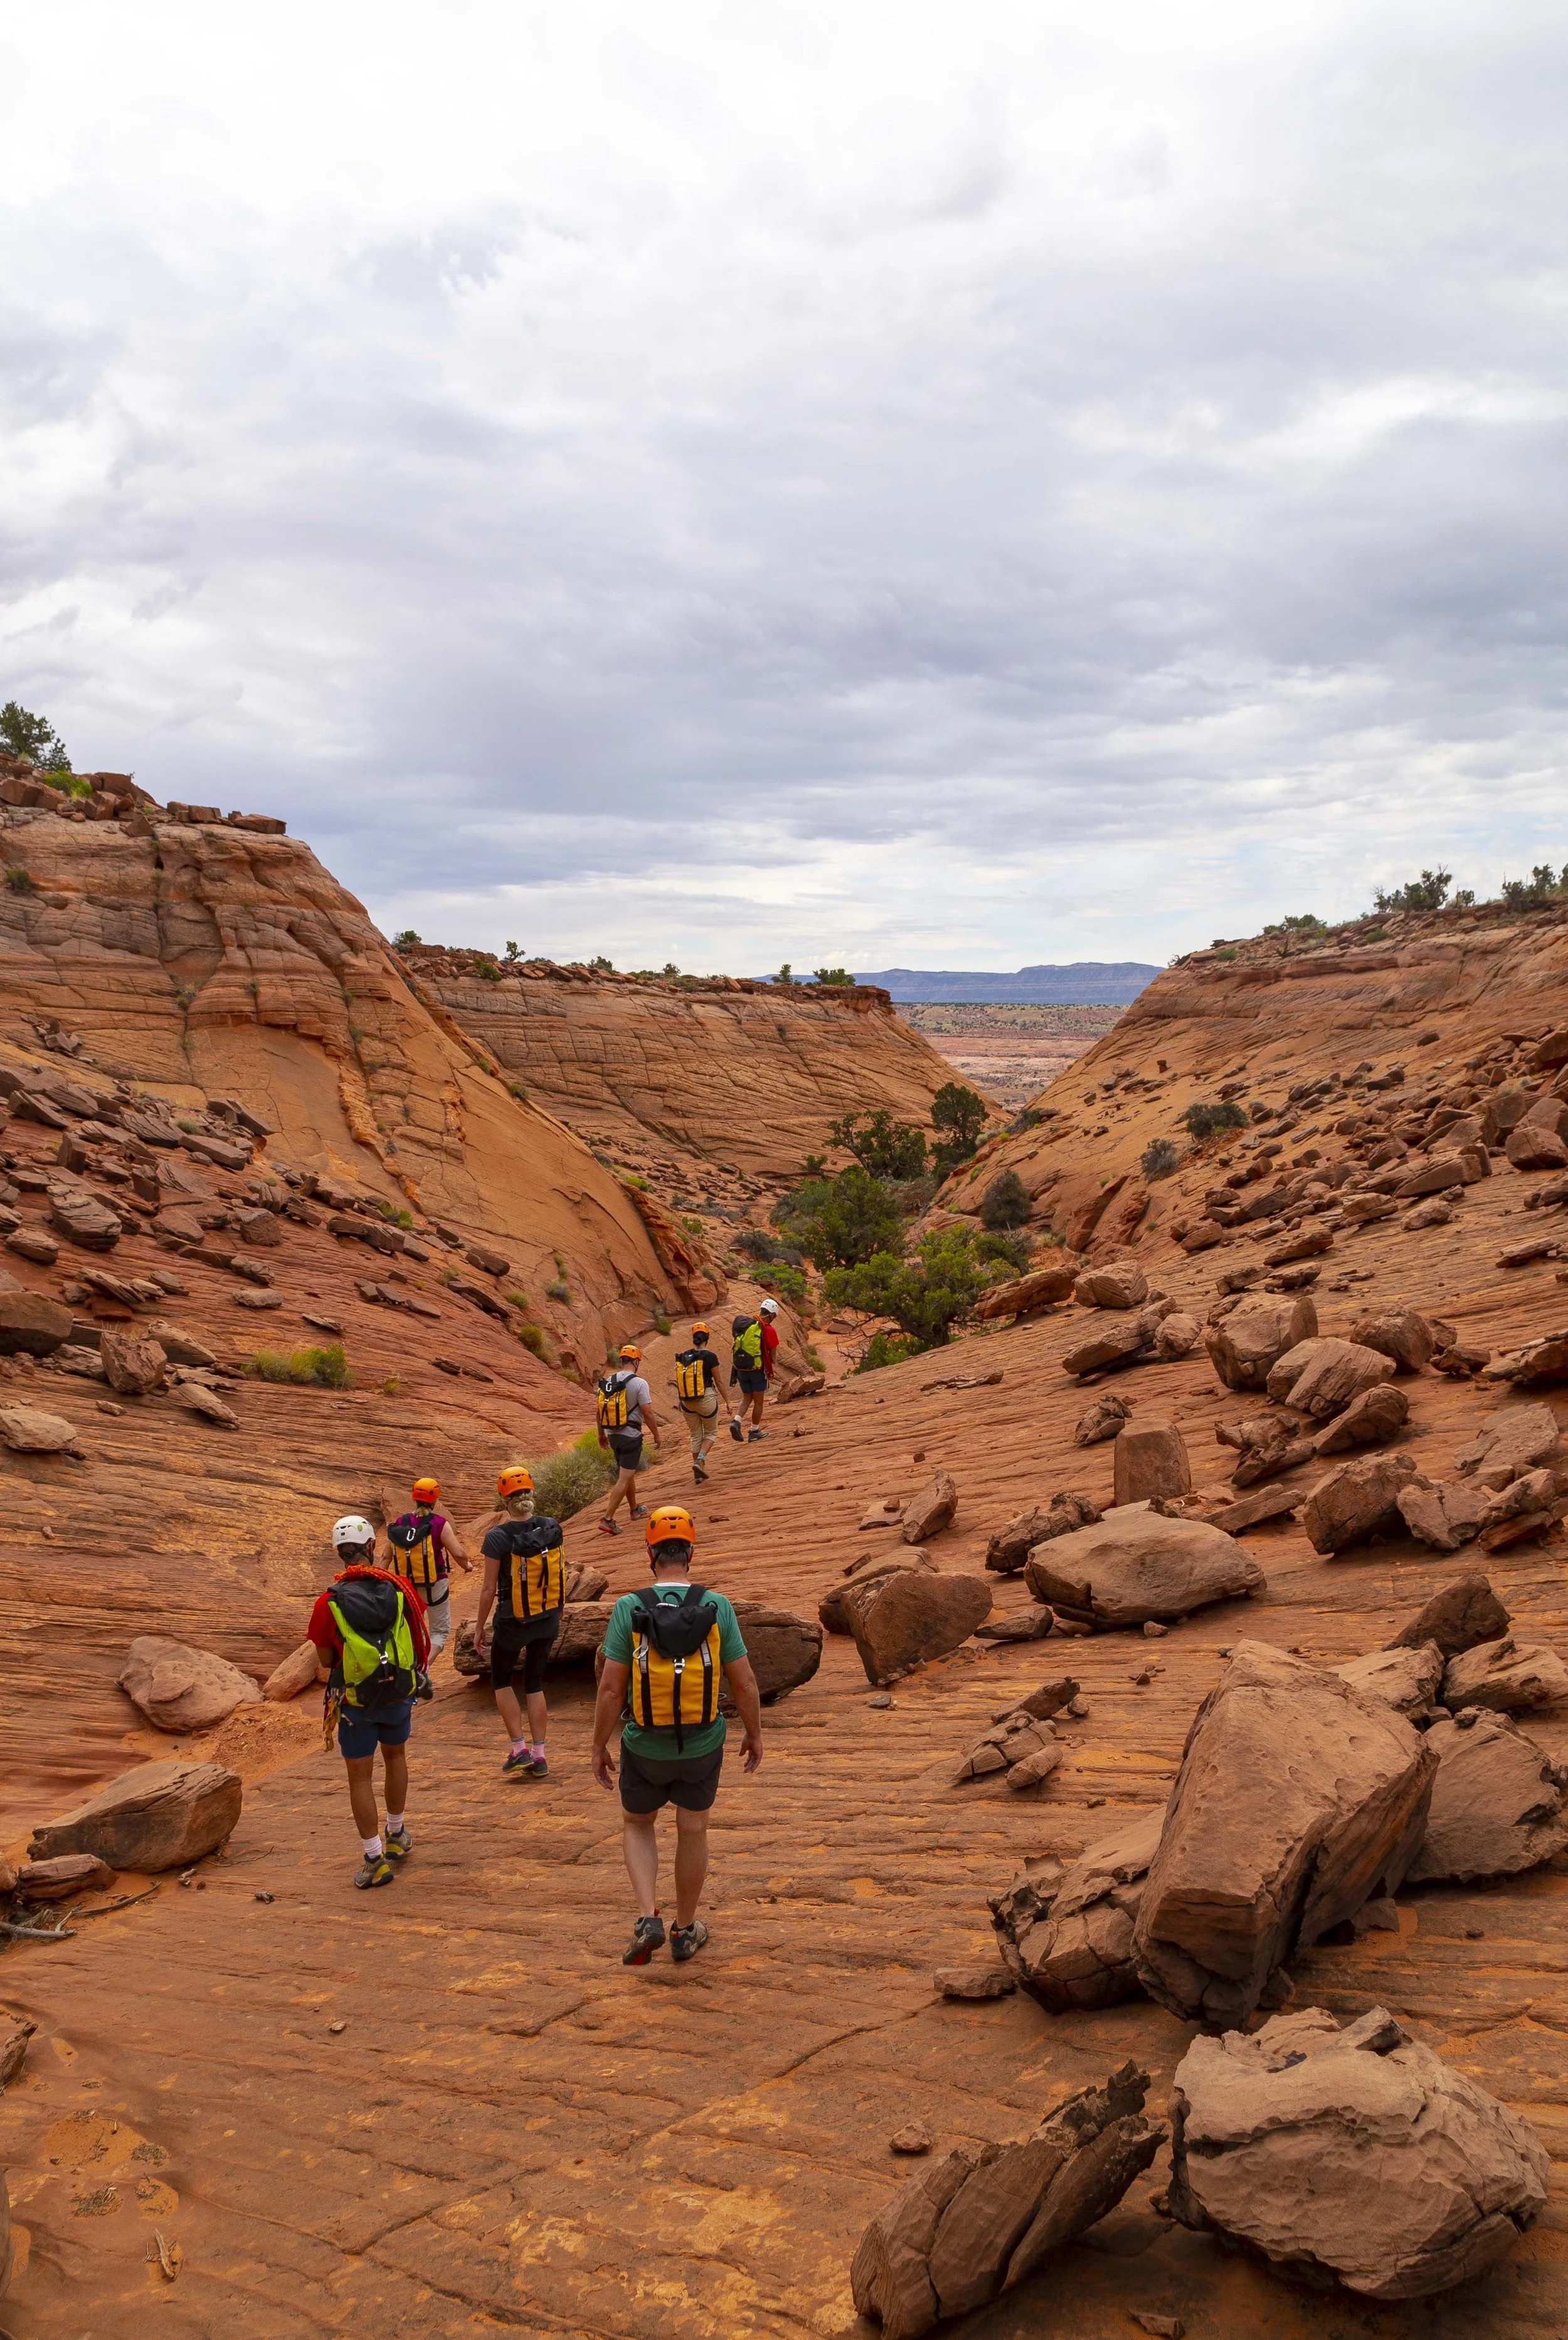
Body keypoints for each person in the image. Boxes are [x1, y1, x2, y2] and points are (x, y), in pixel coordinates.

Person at [591, 1504, 762, 1966]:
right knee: (693, 1827)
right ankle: (685, 1930)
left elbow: (611, 1688)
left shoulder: (630, 1607)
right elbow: (743, 1682)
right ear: (690, 1551)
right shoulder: (716, 1606)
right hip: (703, 1743)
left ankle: (648, 1916)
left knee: (637, 1822)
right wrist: (754, 1733)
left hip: (645, 1745)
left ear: (651, 1552)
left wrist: (598, 1745)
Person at [307, 1514, 432, 1890]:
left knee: (360, 1777)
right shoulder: (398, 1591)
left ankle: (374, 1859)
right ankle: (397, 1834)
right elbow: (415, 1638)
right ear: (373, 1548)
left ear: (339, 1554)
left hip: (356, 1701)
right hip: (396, 1693)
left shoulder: (328, 1602)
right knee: (396, 1758)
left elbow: (327, 1662)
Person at [472, 1463, 566, 1777]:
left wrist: (479, 1627)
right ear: (531, 1494)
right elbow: (558, 1572)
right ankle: (540, 1756)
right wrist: (558, 1611)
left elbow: (488, 1589)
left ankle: (519, 1749)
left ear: (504, 1500)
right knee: (534, 1682)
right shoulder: (552, 1526)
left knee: (501, 1679)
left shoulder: (498, 1537)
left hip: (513, 1620)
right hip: (548, 1615)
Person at [383, 1476, 471, 1656]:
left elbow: (386, 1556)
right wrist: (467, 1565)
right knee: (438, 1633)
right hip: (435, 1584)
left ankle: (413, 1669)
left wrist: (378, 1581)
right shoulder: (439, 1523)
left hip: (406, 1586)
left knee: (414, 1632)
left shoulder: (401, 1522)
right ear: (436, 1500)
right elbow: (458, 1553)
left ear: (414, 1499)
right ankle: (423, 1670)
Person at [596, 1342, 661, 1535]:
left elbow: (599, 1412)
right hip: (631, 1436)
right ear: (635, 1361)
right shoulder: (640, 1383)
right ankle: (608, 1519)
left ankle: (634, 1509)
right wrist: (657, 1435)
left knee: (627, 1473)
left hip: (613, 1435)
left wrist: (601, 1435)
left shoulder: (609, 1381)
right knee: (624, 1477)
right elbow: (647, 1413)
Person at [673, 1322, 723, 1484]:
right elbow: (719, 1382)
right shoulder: (710, 1357)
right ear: (707, 1338)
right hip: (705, 1399)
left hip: (686, 1402)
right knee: (711, 1433)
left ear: (693, 1338)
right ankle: (700, 1460)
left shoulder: (684, 1356)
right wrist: (728, 1402)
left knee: (695, 1435)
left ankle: (698, 1475)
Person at [728, 1296, 780, 1443]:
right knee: (758, 1402)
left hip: (741, 1370)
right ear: (771, 1315)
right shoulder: (768, 1330)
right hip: (757, 1370)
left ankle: (736, 1421)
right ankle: (754, 1431)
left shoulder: (747, 1326)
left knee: (746, 1397)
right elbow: (774, 1358)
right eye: (774, 1316)